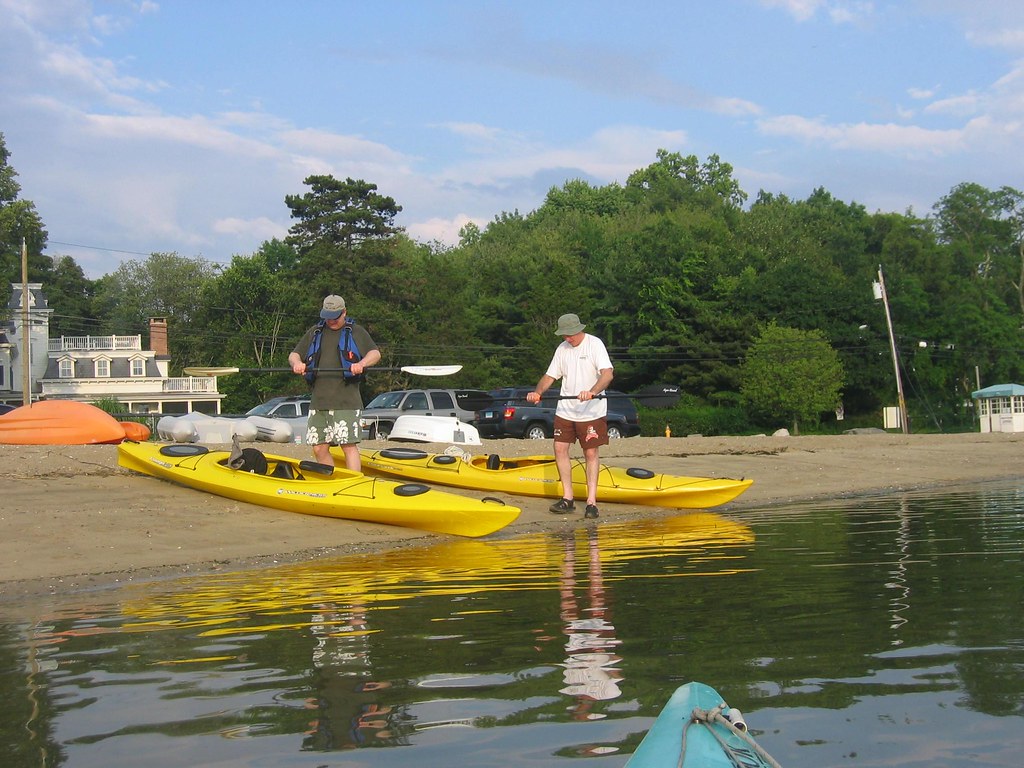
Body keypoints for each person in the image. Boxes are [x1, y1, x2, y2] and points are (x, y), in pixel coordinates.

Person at [526, 313, 614, 518]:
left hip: (591, 410)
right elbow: (550, 376)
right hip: (566, 408)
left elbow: (608, 374)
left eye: (569, 335)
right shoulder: (562, 349)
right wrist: (538, 392)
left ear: (578, 330)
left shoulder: (595, 344)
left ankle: (591, 502)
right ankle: (568, 498)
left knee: (590, 453)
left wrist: (592, 391)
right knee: (559, 448)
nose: (567, 339)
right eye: (564, 335)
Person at [288, 295, 381, 472]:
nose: (331, 321)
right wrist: (297, 364)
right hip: (319, 402)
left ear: (344, 312)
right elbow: (294, 355)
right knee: (318, 448)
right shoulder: (316, 331)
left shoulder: (356, 331)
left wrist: (361, 364)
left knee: (348, 446)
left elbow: (375, 353)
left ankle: (354, 484)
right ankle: (331, 481)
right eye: (327, 316)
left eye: (335, 316)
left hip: (346, 402)